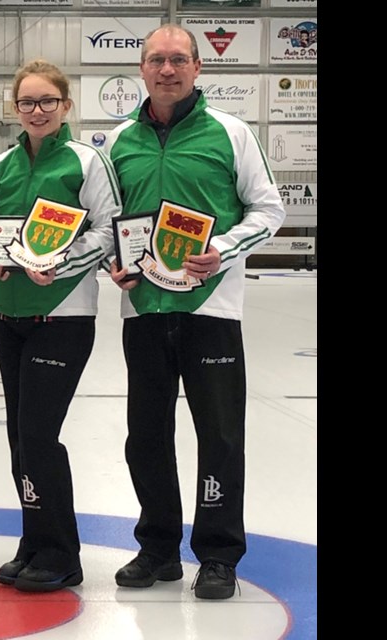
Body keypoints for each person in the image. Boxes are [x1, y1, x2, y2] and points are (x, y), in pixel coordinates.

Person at [104, 24, 286, 600]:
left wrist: (225, 249)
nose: (166, 70)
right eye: (156, 60)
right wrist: (117, 263)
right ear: (142, 69)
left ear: (197, 68)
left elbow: (267, 208)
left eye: (178, 60)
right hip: (145, 309)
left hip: (213, 308)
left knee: (220, 435)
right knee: (146, 435)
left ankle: (218, 554)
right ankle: (157, 547)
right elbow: (108, 220)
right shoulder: (116, 141)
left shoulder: (231, 134)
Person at [0, 59, 121, 592]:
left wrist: (57, 263)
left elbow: (108, 232)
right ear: (14, 109)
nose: (36, 111)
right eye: (26, 103)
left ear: (66, 106)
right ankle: (33, 540)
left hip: (62, 316)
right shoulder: (1, 166)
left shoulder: (87, 162)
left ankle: (62, 553)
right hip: (9, 314)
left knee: (40, 435)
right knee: (21, 438)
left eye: (47, 102)